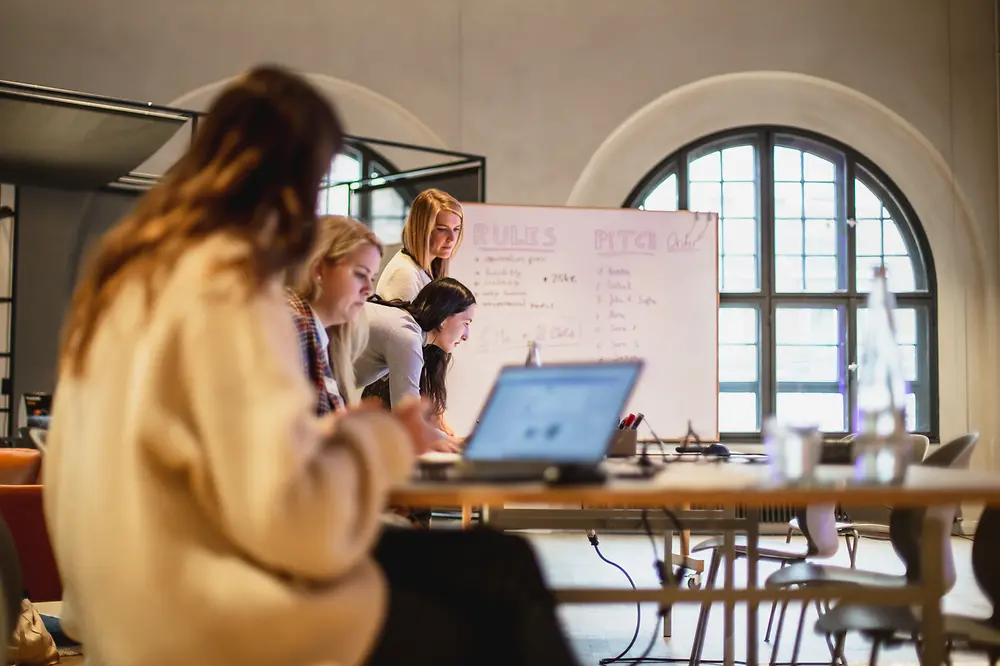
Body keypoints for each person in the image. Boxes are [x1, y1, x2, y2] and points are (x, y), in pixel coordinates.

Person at [43, 65, 578, 666]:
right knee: (503, 572)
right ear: (294, 181)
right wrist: (378, 442)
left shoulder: (129, 277)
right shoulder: (235, 292)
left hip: (127, 598)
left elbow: (220, 455)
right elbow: (294, 523)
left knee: (488, 568)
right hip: (212, 609)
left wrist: (343, 435)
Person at [355, 278, 474, 440]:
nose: (467, 335)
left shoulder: (407, 329)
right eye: (466, 323)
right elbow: (407, 418)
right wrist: (453, 442)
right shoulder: (407, 338)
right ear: (444, 319)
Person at [375, 188, 463, 301]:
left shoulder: (428, 268)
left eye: (456, 229)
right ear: (422, 230)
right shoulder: (405, 274)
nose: (452, 238)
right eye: (442, 229)